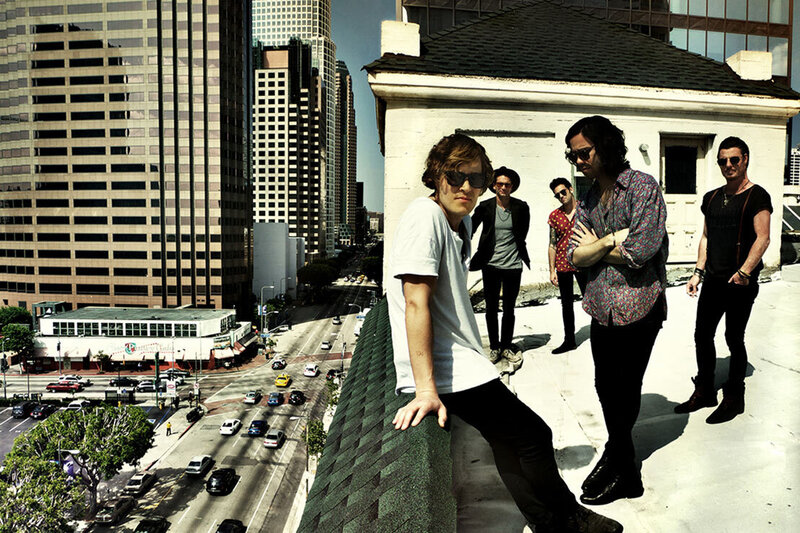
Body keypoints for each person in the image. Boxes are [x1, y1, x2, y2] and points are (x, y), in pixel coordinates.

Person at [389, 133, 622, 533]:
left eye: (476, 179)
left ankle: (549, 523)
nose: (466, 187)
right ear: (435, 175)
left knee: (507, 441)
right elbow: (414, 302)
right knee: (534, 435)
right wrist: (426, 389)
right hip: (446, 368)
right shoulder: (423, 217)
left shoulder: (454, 226)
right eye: (455, 176)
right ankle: (572, 519)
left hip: (458, 360)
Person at [565, 116, 668, 506]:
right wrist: (610, 240)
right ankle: (619, 455)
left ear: (605, 146)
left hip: (640, 307)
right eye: (572, 155)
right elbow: (574, 254)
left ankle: (627, 471)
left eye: (584, 152)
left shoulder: (642, 187)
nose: (577, 161)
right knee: (605, 386)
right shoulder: (589, 197)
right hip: (601, 307)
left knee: (625, 389)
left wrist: (597, 248)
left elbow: (641, 252)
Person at [675, 136, 771, 424]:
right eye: (723, 161)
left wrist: (744, 272)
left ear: (745, 160)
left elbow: (763, 238)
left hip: (740, 282)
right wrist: (697, 272)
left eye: (734, 160)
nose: (728, 165)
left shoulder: (757, 196)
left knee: (733, 337)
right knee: (702, 335)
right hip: (714, 279)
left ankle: (734, 396)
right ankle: (705, 390)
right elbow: (706, 237)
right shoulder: (712, 198)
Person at [470, 166, 530, 368]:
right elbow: (469, 229)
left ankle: (506, 345)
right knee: (491, 309)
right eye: (500, 184)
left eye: (507, 184)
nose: (503, 188)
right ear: (494, 186)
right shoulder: (485, 207)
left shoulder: (521, 207)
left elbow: (522, 234)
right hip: (491, 265)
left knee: (509, 309)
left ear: (512, 187)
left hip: (513, 265)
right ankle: (495, 346)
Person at [548, 177, 588, 354]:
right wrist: (551, 270)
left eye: (563, 192)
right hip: (563, 265)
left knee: (592, 299)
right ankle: (569, 340)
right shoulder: (555, 216)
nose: (561, 196)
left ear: (571, 189)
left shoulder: (585, 209)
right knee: (566, 304)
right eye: (557, 195)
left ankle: (601, 335)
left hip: (584, 261)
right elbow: (552, 244)